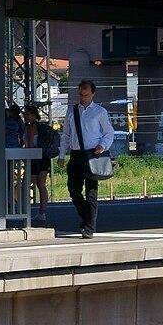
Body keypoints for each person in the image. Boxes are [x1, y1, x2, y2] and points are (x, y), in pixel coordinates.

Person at [68, 77, 115, 238]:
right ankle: (87, 217)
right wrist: (62, 153)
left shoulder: (100, 112)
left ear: (93, 94)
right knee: (73, 190)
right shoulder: (72, 111)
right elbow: (66, 134)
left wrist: (102, 146)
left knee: (91, 193)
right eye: (81, 95)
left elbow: (109, 132)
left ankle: (89, 227)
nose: (83, 98)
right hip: (75, 155)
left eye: (86, 95)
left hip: (92, 154)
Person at [24, 102, 59, 211]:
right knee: (37, 184)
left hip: (38, 158)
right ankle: (39, 210)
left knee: (34, 183)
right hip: (40, 158)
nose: (25, 116)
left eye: (28, 114)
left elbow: (29, 144)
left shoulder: (34, 128)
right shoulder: (37, 127)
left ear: (34, 115)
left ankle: (34, 210)